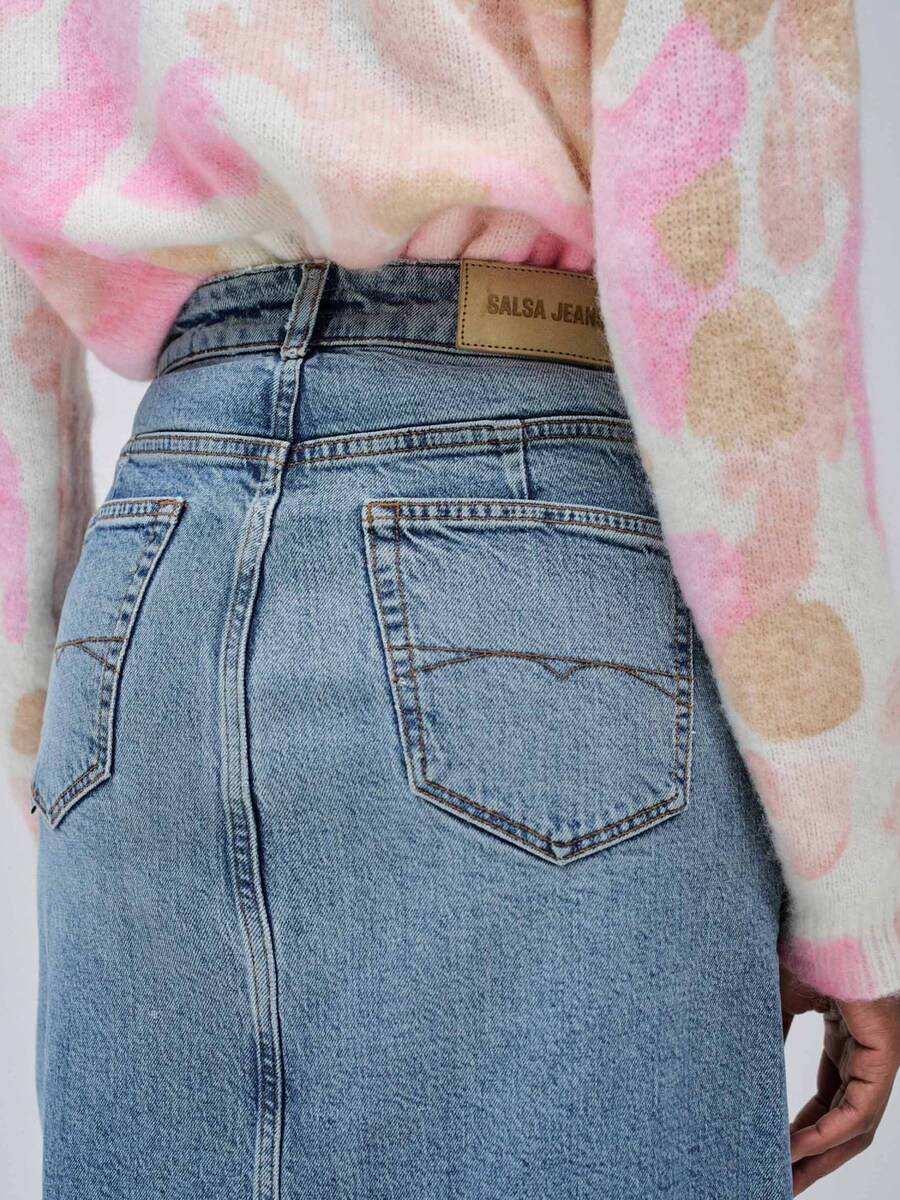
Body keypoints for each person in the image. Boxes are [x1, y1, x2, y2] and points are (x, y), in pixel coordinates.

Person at [1, 3, 898, 1198]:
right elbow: (726, 266)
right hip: (523, 528)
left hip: (153, 584)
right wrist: (853, 881)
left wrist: (56, 742)